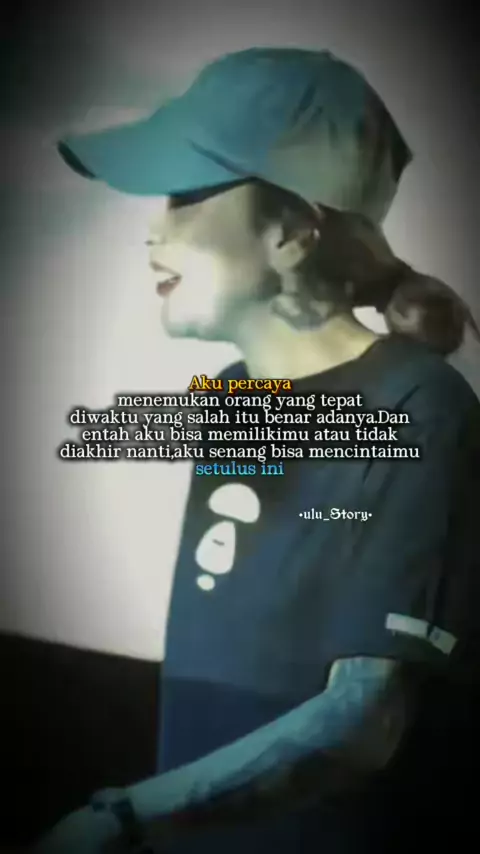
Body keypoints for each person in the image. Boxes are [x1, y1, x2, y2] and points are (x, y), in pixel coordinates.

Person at [36, 47, 479, 853]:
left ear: (291, 232)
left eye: (188, 195)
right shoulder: (234, 398)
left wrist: (123, 819)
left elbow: (363, 721)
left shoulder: (422, 409)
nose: (154, 230)